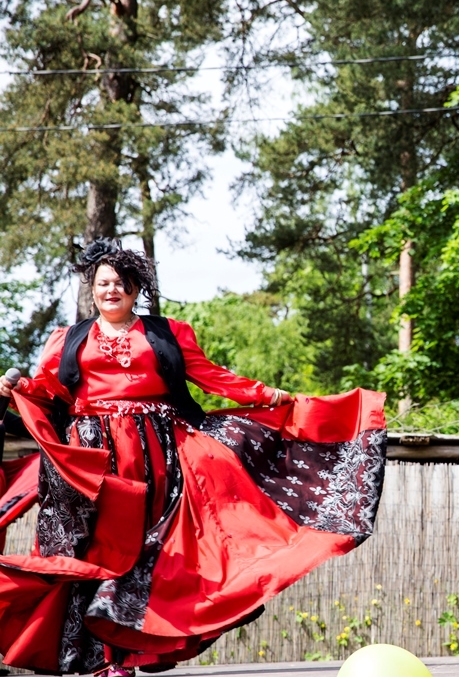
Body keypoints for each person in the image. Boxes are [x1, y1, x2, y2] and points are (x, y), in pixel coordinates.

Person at [0, 239, 387, 675]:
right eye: (103, 283)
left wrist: (265, 394)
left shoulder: (168, 333)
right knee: (97, 553)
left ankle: (129, 656)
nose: (111, 290)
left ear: (135, 290)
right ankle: (97, 660)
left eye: (121, 284)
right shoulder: (67, 339)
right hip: (92, 460)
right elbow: (50, 390)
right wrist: (18, 389)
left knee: (145, 555)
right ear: (92, 288)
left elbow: (210, 376)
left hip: (157, 456)